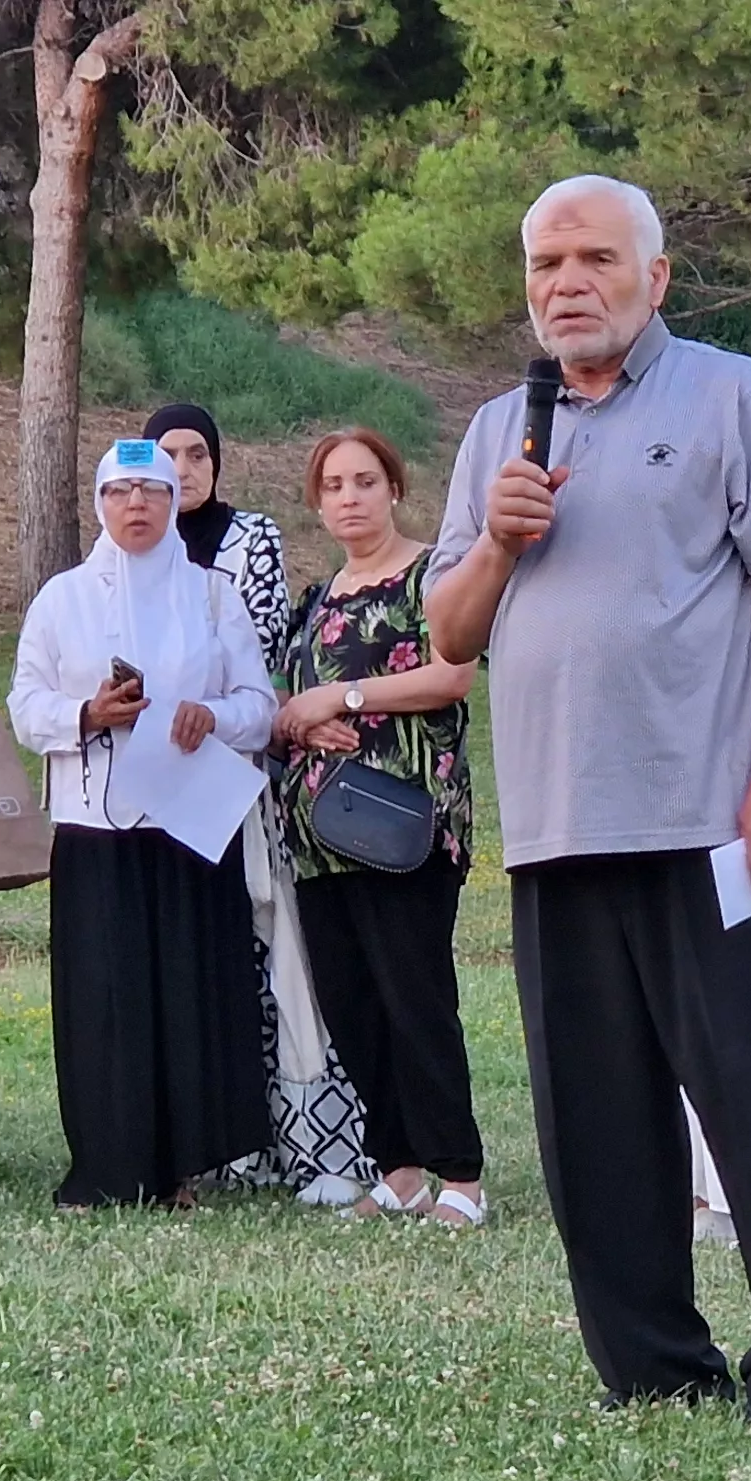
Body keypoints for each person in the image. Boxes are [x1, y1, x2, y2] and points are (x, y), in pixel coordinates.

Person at [423, 174, 751, 1419]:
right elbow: (448, 634)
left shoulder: (731, 393)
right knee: (595, 1123)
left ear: (655, 277)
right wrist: (499, 543)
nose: (567, 283)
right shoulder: (496, 433)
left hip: (713, 825)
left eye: (595, 259)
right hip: (561, 830)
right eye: (545, 263)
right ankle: (655, 1369)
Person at [11, 439, 276, 1209]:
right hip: (97, 827)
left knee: (186, 994)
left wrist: (212, 714)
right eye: (122, 490)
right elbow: (25, 707)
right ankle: (106, 1164)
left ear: (174, 502)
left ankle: (181, 1169)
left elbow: (259, 708)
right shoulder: (63, 599)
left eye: (153, 491)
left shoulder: (213, 596)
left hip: (189, 825)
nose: (138, 506)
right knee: (106, 997)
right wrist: (86, 712)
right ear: (99, 503)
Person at [147, 400, 377, 1206]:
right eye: (167, 455)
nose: (181, 470)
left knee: (283, 950)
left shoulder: (252, 540)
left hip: (242, 774)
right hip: (161, 791)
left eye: (196, 454)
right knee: (213, 963)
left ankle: (318, 1147)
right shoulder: (133, 550)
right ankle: (228, 1143)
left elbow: (266, 646)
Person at [270, 425, 487, 1225]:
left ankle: (460, 1176)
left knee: (416, 999)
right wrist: (299, 719)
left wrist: (344, 698)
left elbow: (453, 672)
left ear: (394, 488)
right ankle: (397, 1170)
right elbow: (294, 697)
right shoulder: (321, 596)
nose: (349, 498)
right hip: (320, 837)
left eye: (364, 481)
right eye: (332, 486)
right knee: (353, 1004)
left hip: (404, 825)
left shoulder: (433, 575)